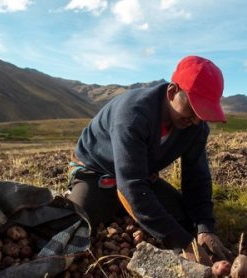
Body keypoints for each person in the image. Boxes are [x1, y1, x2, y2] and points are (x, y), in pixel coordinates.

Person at [67, 55, 232, 266]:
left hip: (140, 173)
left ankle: (126, 208)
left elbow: (197, 177)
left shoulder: (195, 127)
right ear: (172, 92)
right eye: (193, 109)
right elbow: (133, 187)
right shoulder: (133, 115)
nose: (197, 119)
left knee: (185, 219)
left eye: (203, 113)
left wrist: (205, 227)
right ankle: (110, 202)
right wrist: (183, 244)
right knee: (75, 224)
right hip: (97, 172)